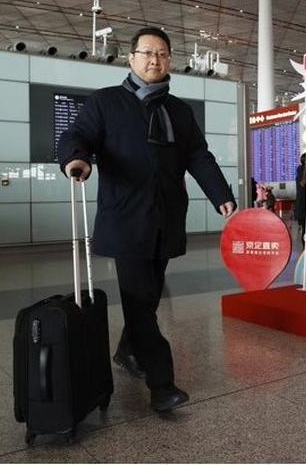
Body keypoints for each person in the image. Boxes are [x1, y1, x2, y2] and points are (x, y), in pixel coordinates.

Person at [58, 27, 236, 413]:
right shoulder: (106, 102)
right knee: (140, 301)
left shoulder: (179, 111)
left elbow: (198, 156)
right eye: (147, 53)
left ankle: (127, 351)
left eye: (162, 54)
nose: (155, 60)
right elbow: (78, 135)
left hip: (166, 220)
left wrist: (221, 194)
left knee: (148, 296)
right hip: (126, 219)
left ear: (169, 59)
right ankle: (161, 384)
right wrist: (76, 159)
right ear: (132, 58)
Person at [295, 153, 306, 247]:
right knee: (305, 227)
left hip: (302, 204)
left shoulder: (299, 170)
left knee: (305, 227)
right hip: (304, 204)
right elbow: (303, 183)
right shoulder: (302, 171)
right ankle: (305, 247)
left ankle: (305, 247)